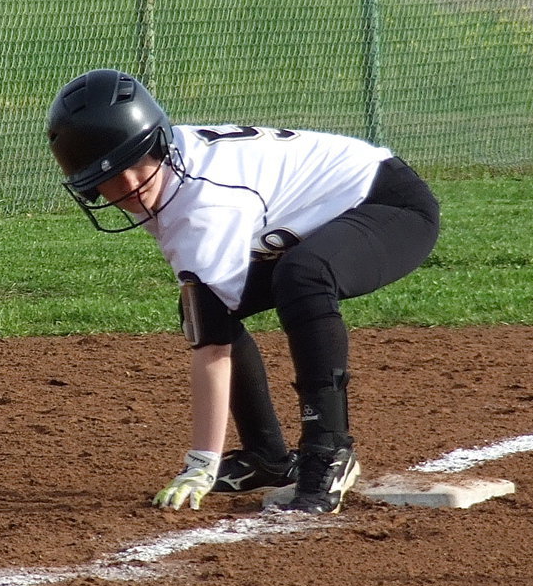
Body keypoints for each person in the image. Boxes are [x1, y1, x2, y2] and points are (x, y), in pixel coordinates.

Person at [46, 69, 439, 514]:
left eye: (135, 162)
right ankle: (266, 456)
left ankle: (329, 450)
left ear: (157, 142)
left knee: (303, 275)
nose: (128, 186)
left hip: (388, 205)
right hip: (318, 215)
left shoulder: (204, 203)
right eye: (108, 178)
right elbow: (210, 320)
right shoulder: (169, 173)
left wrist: (202, 461)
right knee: (204, 305)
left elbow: (211, 350)